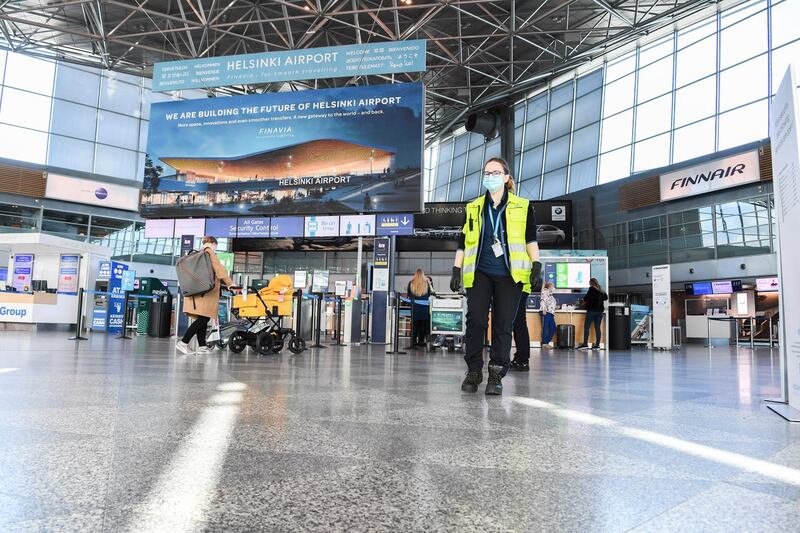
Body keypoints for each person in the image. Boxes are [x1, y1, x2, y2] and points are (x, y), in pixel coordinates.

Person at [451, 157, 541, 395]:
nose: (490, 176)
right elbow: (463, 242)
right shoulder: (473, 208)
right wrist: (456, 268)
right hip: (480, 272)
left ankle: (496, 373)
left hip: (510, 275)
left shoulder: (522, 206)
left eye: (495, 172)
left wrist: (537, 264)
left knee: (503, 324)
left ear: (506, 177)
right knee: (476, 320)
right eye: (486, 172)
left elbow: (530, 239)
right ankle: (473, 370)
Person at [176, 236, 234, 355]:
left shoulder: (198, 254)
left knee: (202, 318)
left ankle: (202, 346)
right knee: (204, 318)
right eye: (215, 245)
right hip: (205, 293)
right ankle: (183, 342)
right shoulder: (209, 252)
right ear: (212, 243)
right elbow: (219, 269)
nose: (215, 247)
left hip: (195, 293)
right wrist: (230, 283)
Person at [577, 277, 607, 350]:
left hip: (591, 311)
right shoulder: (601, 290)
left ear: (591, 283)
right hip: (599, 312)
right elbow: (606, 297)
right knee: (597, 328)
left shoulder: (591, 289)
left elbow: (585, 299)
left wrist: (582, 303)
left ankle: (585, 344)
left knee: (586, 327)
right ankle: (597, 345)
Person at [407, 269, 432, 348]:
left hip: (415, 307)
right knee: (423, 325)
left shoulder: (411, 283)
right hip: (425, 307)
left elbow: (409, 295)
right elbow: (431, 294)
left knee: (414, 326)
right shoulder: (427, 283)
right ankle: (421, 341)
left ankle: (413, 342)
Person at [510, 292, 531, 371]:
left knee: (519, 322)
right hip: (521, 288)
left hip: (518, 287)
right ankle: (522, 359)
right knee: (519, 322)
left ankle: (522, 360)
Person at [539, 282, 558, 349]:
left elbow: (550, 303)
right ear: (549, 287)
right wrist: (544, 310)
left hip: (550, 313)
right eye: (553, 286)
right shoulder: (545, 292)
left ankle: (546, 342)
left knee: (553, 328)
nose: (554, 288)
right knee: (545, 327)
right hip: (546, 312)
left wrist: (556, 307)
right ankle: (544, 343)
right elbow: (543, 301)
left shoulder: (550, 294)